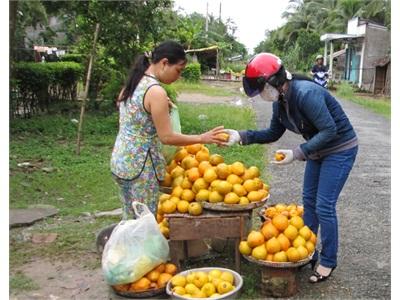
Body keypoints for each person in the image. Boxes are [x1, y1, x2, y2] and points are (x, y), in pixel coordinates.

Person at [225, 53, 358, 283]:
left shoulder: (307, 94)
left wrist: (297, 153)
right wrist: (242, 136)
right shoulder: (281, 101)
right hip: (318, 150)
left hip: (339, 149)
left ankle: (327, 261)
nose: (262, 94)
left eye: (262, 88)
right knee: (309, 201)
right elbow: (273, 133)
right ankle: (305, 250)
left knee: (324, 205)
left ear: (275, 81)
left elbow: (330, 130)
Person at [110, 41, 225, 220]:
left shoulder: (134, 82)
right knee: (145, 222)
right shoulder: (156, 91)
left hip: (121, 161)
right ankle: (140, 249)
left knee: (129, 218)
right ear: (164, 63)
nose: (178, 76)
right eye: (178, 70)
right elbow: (167, 137)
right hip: (141, 167)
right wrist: (202, 137)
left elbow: (133, 114)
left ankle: (124, 247)